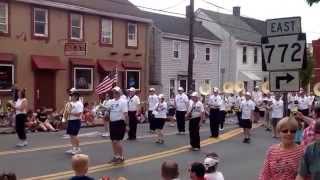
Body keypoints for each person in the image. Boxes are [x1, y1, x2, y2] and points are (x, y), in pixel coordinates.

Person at [108, 86, 128, 164]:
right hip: (112, 123)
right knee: (113, 141)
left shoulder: (123, 102)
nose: (114, 94)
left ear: (119, 93)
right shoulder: (111, 101)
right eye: (113, 92)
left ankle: (121, 157)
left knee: (117, 141)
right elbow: (108, 110)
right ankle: (116, 156)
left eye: (116, 92)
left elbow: (126, 114)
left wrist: (127, 125)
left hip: (119, 122)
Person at [65, 88, 84, 155]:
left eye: (72, 95)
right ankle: (73, 148)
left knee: (74, 135)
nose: (71, 97)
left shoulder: (79, 104)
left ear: (76, 96)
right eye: (71, 95)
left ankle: (78, 148)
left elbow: (79, 114)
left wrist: (70, 113)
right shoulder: (71, 103)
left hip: (76, 121)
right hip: (70, 120)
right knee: (71, 135)